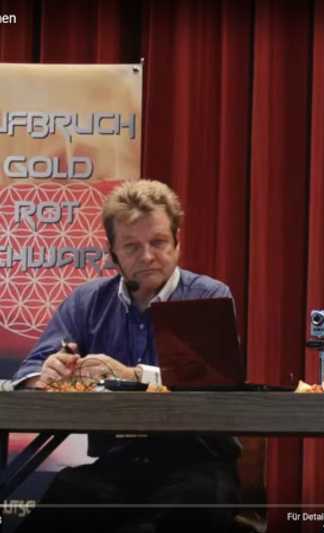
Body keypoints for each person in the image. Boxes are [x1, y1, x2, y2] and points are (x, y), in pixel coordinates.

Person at [12, 180, 241, 533]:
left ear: (178, 242)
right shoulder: (88, 301)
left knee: (191, 509)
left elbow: (214, 382)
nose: (148, 256)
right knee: (65, 499)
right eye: (132, 246)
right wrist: (47, 374)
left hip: (197, 460)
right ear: (113, 253)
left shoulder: (208, 296)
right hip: (117, 461)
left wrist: (132, 377)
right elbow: (29, 373)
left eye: (159, 243)